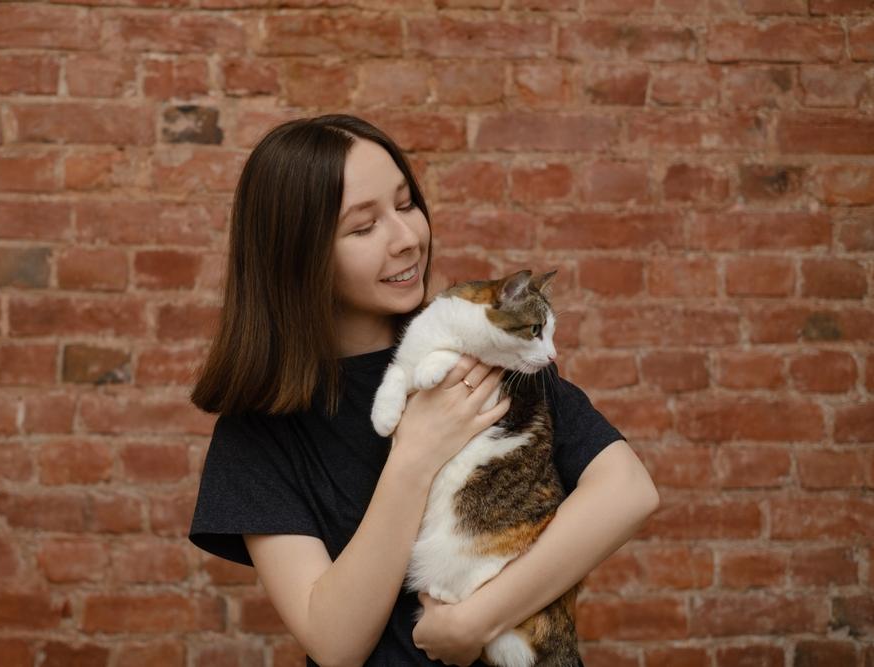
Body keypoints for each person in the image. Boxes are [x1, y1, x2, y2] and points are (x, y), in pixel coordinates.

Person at [188, 114, 660, 667]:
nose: (407, 239)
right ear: (296, 255)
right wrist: (413, 456)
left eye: (407, 204)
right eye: (364, 228)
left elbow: (628, 492)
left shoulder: (490, 352)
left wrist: (473, 621)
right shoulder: (259, 434)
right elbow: (334, 642)